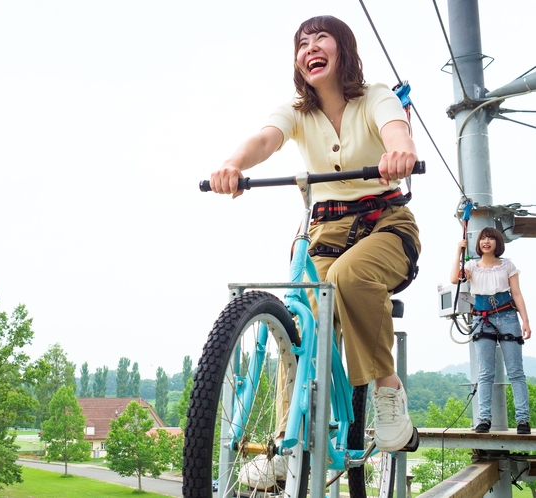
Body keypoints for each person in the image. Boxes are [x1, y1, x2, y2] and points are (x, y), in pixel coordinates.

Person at [210, 15, 419, 459]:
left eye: (321, 38)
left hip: (385, 222)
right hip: (324, 230)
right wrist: (233, 164)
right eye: (302, 44)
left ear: (342, 48)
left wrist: (402, 151)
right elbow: (266, 139)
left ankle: (387, 388)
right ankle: (290, 445)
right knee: (302, 319)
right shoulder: (297, 112)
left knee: (349, 275)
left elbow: (394, 127)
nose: (310, 48)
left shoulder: (374, 97)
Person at [451, 227, 531, 434]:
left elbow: (517, 294)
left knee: (515, 371)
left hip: (506, 315)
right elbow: (454, 279)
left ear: (497, 243)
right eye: (483, 238)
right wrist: (458, 252)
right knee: (486, 372)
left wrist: (526, 321)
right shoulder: (471, 266)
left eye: (491, 239)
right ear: (479, 242)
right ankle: (483, 419)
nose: (486, 242)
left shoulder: (507, 266)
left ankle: (523, 419)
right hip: (482, 317)